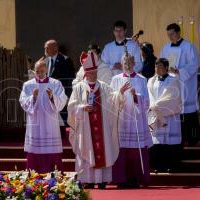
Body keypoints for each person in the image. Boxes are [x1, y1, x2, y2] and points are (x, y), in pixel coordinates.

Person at [68, 52, 128, 189]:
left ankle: (101, 180)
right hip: (85, 128)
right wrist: (82, 108)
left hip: (102, 128)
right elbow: (71, 107)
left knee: (102, 148)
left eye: (95, 72)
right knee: (87, 149)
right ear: (85, 73)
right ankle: (87, 179)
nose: (94, 75)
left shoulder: (104, 87)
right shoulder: (78, 88)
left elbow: (113, 100)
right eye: (91, 72)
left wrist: (120, 94)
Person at [110, 53, 152, 188]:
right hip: (121, 120)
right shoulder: (115, 79)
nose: (127, 66)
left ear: (134, 64)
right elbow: (110, 100)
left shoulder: (141, 79)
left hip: (136, 121)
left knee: (135, 150)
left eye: (129, 63)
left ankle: (136, 178)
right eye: (125, 63)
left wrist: (136, 96)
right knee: (121, 150)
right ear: (121, 64)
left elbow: (147, 102)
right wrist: (120, 93)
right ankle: (120, 178)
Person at [19, 60, 68, 173]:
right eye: (37, 71)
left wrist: (52, 97)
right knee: (34, 150)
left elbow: (62, 100)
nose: (40, 73)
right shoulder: (28, 85)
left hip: (50, 122)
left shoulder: (55, 83)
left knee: (52, 149)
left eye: (42, 71)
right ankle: (34, 175)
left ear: (46, 70)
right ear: (34, 71)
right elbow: (23, 102)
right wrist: (33, 98)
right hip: (35, 122)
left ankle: (54, 174)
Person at [160, 23, 200, 146]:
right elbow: (160, 63)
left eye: (172, 34)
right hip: (170, 84)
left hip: (185, 85)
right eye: (168, 34)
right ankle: (176, 140)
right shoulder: (165, 48)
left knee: (188, 112)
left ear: (178, 33)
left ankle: (193, 139)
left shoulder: (189, 47)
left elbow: (194, 64)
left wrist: (180, 71)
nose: (170, 36)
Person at [147, 58, 182, 172]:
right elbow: (150, 97)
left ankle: (172, 166)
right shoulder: (151, 81)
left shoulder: (173, 80)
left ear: (166, 67)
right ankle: (158, 166)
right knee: (157, 142)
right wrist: (154, 106)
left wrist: (157, 106)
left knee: (170, 142)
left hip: (170, 116)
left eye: (160, 66)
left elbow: (172, 98)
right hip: (156, 116)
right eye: (156, 66)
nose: (157, 69)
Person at [44, 39, 75, 125]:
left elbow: (70, 80)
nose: (45, 51)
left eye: (47, 48)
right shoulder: (45, 61)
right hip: (49, 98)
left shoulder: (65, 60)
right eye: (45, 48)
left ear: (55, 48)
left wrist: (68, 97)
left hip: (61, 97)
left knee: (65, 121)